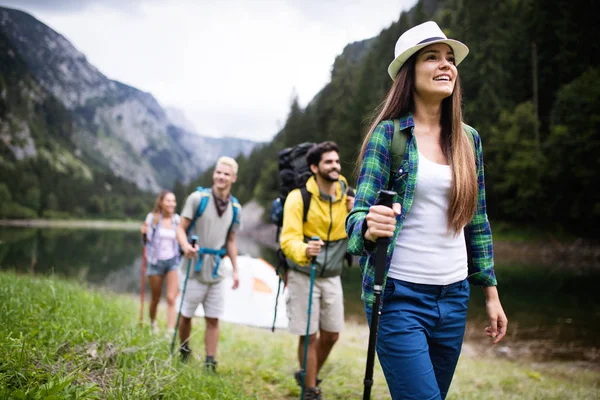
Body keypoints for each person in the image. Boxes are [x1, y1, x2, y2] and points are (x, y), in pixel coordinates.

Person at [345, 21, 508, 400]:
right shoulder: (388, 135)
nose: (445, 65)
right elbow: (355, 221)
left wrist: (491, 293)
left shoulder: (469, 140)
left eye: (450, 59)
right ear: (409, 72)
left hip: (453, 299)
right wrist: (369, 226)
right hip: (398, 298)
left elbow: (477, 220)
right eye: (432, 57)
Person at [280, 141, 355, 400]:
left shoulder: (347, 195)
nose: (335, 166)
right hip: (304, 273)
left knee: (332, 334)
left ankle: (306, 374)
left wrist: (354, 211)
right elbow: (287, 238)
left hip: (332, 275)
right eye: (328, 162)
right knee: (309, 335)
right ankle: (311, 390)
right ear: (314, 167)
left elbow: (356, 228)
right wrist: (304, 250)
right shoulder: (298, 198)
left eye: (336, 161)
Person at [175, 156, 241, 370]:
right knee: (186, 314)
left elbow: (231, 240)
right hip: (193, 267)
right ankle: (184, 350)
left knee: (213, 318)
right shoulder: (197, 198)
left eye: (226, 174)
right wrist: (185, 246)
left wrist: (236, 269)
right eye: (218, 172)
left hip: (216, 271)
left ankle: (210, 361)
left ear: (234, 178)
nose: (221, 177)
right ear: (214, 174)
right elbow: (180, 228)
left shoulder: (235, 208)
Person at [140, 190, 181, 336]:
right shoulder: (153, 218)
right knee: (156, 297)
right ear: (161, 202)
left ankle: (170, 331)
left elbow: (182, 239)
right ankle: (153, 323)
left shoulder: (177, 220)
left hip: (172, 262)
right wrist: (144, 233)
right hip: (155, 261)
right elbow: (146, 241)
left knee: (171, 297)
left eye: (173, 201)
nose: (171, 204)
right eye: (168, 201)